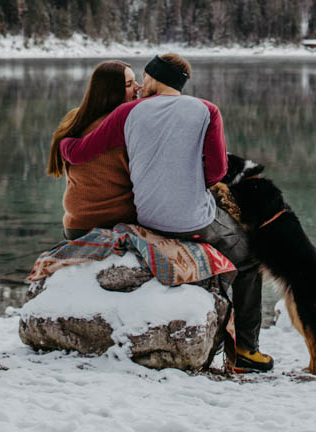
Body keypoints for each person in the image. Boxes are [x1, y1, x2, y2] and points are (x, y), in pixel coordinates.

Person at [60, 53, 273, 373]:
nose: (141, 85)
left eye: (144, 78)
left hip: (148, 219)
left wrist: (60, 144)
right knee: (250, 260)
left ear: (155, 79)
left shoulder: (126, 112)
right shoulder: (207, 110)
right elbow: (216, 172)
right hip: (194, 220)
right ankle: (246, 350)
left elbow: (78, 152)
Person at [46, 60, 141, 239]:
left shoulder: (78, 118)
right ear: (111, 92)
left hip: (75, 227)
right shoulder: (125, 125)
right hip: (115, 225)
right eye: (129, 84)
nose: (138, 87)